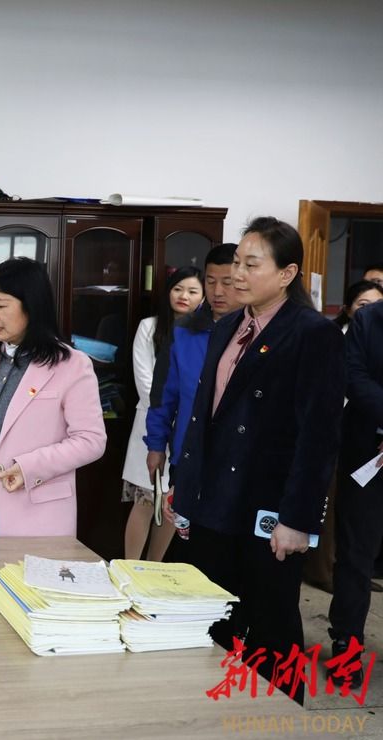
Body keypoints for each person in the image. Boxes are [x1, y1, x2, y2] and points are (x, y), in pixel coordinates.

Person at [167, 217, 344, 702]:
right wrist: (185, 486)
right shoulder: (227, 326)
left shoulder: (313, 334)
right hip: (212, 501)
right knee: (210, 620)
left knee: (270, 626)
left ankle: (278, 722)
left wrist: (297, 520)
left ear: (287, 274)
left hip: (268, 508)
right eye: (236, 263)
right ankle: (210, 717)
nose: (237, 274)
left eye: (251, 264)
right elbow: (203, 417)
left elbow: (318, 438)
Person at [0, 257, 106, 538]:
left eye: (1, 306)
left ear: (32, 305)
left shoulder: (72, 365)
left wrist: (29, 467)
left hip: (36, 513)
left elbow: (91, 440)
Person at [145, 244, 243, 499]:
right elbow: (163, 395)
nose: (217, 291)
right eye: (210, 282)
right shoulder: (183, 330)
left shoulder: (255, 331)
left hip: (239, 462)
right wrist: (156, 445)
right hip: (187, 456)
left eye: (227, 282)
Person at [122, 266, 203, 561]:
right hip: (151, 422)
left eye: (192, 291)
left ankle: (154, 567)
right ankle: (130, 567)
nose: (184, 296)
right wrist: (168, 408)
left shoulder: (203, 333)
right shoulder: (149, 327)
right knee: (145, 499)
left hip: (187, 427)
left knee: (173, 501)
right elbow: (146, 382)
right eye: (178, 289)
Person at [327, 299, 383, 689]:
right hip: (366, 455)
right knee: (354, 553)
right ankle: (346, 646)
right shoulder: (368, 319)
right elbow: (352, 374)